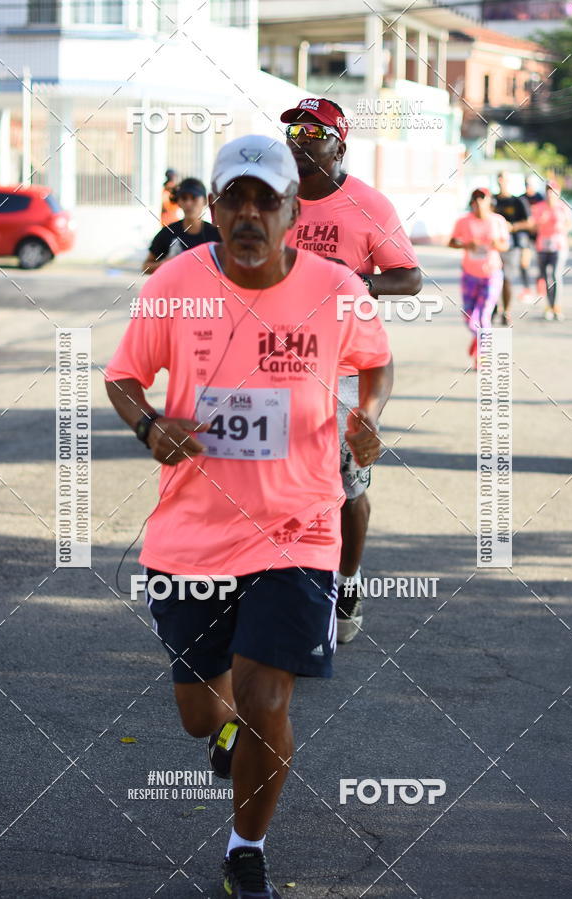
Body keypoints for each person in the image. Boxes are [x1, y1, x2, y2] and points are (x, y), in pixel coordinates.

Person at [105, 135, 393, 898]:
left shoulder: (336, 288)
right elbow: (124, 377)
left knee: (269, 703)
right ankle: (224, 723)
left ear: (294, 211)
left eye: (268, 200)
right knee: (203, 717)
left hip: (298, 527)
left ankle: (245, 849)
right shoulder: (175, 282)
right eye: (236, 197)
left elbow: (376, 359)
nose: (249, 213)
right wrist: (149, 427)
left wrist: (369, 411)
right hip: (192, 537)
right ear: (218, 207)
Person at [280, 96, 421, 643]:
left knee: (346, 487)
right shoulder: (275, 200)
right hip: (276, 367)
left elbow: (408, 279)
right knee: (270, 480)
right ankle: (279, 587)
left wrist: (351, 280)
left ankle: (348, 580)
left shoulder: (368, 206)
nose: (299, 143)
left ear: (339, 144)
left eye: (311, 134)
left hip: (343, 369)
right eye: (292, 133)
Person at [449, 187, 510, 366]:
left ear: (489, 202)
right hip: (469, 275)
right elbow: (452, 242)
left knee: (483, 316)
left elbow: (506, 245)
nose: (478, 203)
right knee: (469, 319)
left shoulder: (498, 221)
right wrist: (467, 245)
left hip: (491, 275)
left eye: (482, 199)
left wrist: (496, 244)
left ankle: (482, 356)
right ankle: (479, 341)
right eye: (475, 200)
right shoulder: (463, 222)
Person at [143, 177, 220, 275]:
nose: (188, 203)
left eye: (194, 198)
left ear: (205, 201)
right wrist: (165, 263)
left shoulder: (216, 234)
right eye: (184, 198)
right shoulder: (168, 232)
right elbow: (145, 267)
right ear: (178, 202)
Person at [531, 180, 572, 321]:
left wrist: (562, 228)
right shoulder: (538, 207)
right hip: (542, 246)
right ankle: (548, 306)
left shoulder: (563, 207)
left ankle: (557, 306)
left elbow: (569, 224)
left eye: (552, 190)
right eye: (547, 190)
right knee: (545, 278)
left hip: (559, 246)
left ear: (557, 192)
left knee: (555, 275)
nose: (550, 193)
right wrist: (540, 222)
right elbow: (533, 227)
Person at [493, 171, 532, 325]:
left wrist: (512, 226)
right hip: (493, 246)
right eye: (499, 177)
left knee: (507, 279)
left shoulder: (518, 201)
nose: (502, 180)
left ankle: (506, 311)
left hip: (512, 246)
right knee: (492, 278)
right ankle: (494, 306)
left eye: (504, 178)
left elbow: (529, 223)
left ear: (509, 181)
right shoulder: (492, 201)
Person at [517, 174, 544, 303]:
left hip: (539, 233)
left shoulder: (540, 198)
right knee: (524, 261)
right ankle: (527, 288)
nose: (528, 187)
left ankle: (540, 282)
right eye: (526, 184)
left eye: (530, 184)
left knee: (541, 261)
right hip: (526, 234)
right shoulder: (521, 199)